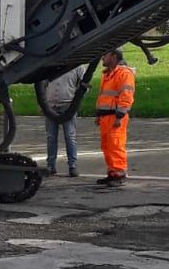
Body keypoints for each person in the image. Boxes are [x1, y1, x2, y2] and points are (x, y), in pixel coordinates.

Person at [95, 48, 135, 187]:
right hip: (106, 116)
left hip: (115, 116)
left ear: (113, 56)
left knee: (116, 144)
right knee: (107, 146)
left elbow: (126, 96)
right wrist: (99, 114)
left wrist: (119, 117)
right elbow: (103, 96)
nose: (102, 58)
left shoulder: (124, 74)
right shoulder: (107, 74)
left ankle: (119, 173)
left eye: (104, 55)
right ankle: (112, 172)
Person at [42, 63, 88, 177]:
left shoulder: (77, 66)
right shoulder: (51, 64)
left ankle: (72, 165)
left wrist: (77, 99)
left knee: (70, 136)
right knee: (51, 137)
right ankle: (50, 165)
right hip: (51, 105)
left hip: (68, 105)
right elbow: (42, 84)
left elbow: (85, 85)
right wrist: (43, 103)